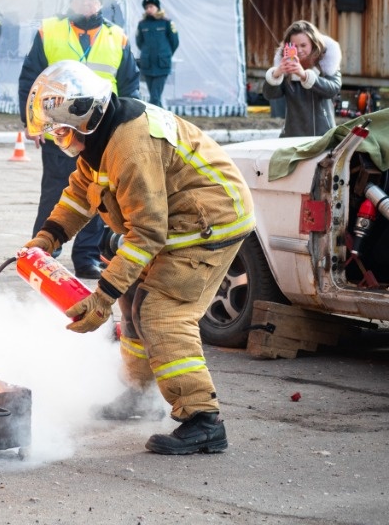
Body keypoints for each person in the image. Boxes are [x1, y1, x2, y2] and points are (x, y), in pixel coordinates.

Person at [21, 60, 255, 455]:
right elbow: (80, 193)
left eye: (61, 132)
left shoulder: (129, 145)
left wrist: (101, 297)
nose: (62, 141)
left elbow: (147, 232)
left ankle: (203, 419)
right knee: (133, 299)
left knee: (161, 312)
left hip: (209, 221)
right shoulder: (102, 137)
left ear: (83, 118)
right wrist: (48, 237)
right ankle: (135, 394)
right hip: (178, 220)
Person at [18, 0, 139, 279]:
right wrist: (32, 123)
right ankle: (45, 253)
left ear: (101, 2)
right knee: (56, 190)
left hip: (102, 128)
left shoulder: (117, 38)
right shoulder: (50, 31)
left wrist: (128, 129)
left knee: (100, 194)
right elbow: (30, 79)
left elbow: (130, 87)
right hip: (60, 125)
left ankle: (86, 257)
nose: (87, 1)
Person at [263, 20, 342, 137]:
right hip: (292, 135)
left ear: (313, 43)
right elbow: (270, 95)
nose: (299, 50)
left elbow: (333, 89)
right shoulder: (285, 65)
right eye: (294, 46)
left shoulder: (327, 62)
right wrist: (276, 73)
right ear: (288, 47)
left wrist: (304, 75)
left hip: (323, 135)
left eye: (303, 45)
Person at [135, 0, 179, 108]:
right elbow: (139, 42)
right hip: (148, 64)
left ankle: (154, 118)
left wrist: (166, 54)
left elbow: (174, 42)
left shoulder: (166, 22)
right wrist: (146, 53)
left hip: (162, 64)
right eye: (146, 7)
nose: (148, 9)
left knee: (154, 97)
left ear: (157, 7)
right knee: (154, 96)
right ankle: (162, 118)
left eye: (151, 6)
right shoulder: (142, 24)